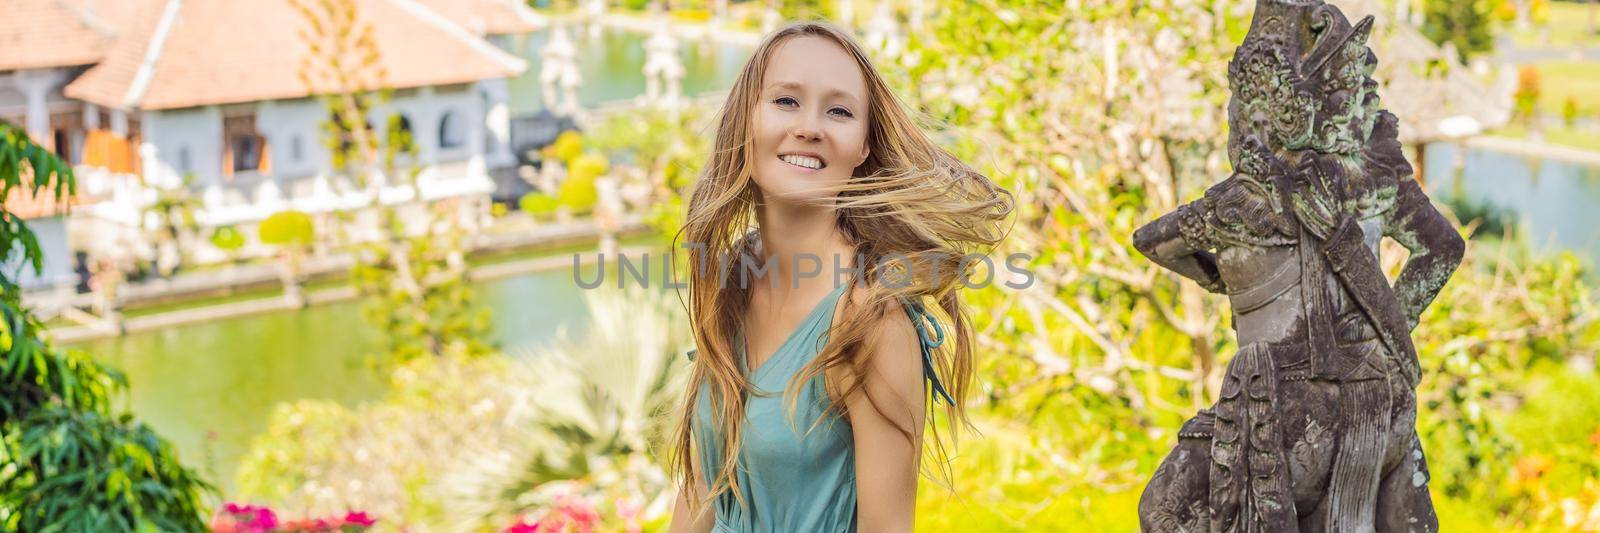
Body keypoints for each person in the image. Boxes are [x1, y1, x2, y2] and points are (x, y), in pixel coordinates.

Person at [665, 21, 1012, 533]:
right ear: (745, 121)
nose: (809, 126)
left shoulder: (870, 321)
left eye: (840, 111)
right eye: (786, 101)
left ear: (863, 146)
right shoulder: (735, 275)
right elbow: (702, 488)